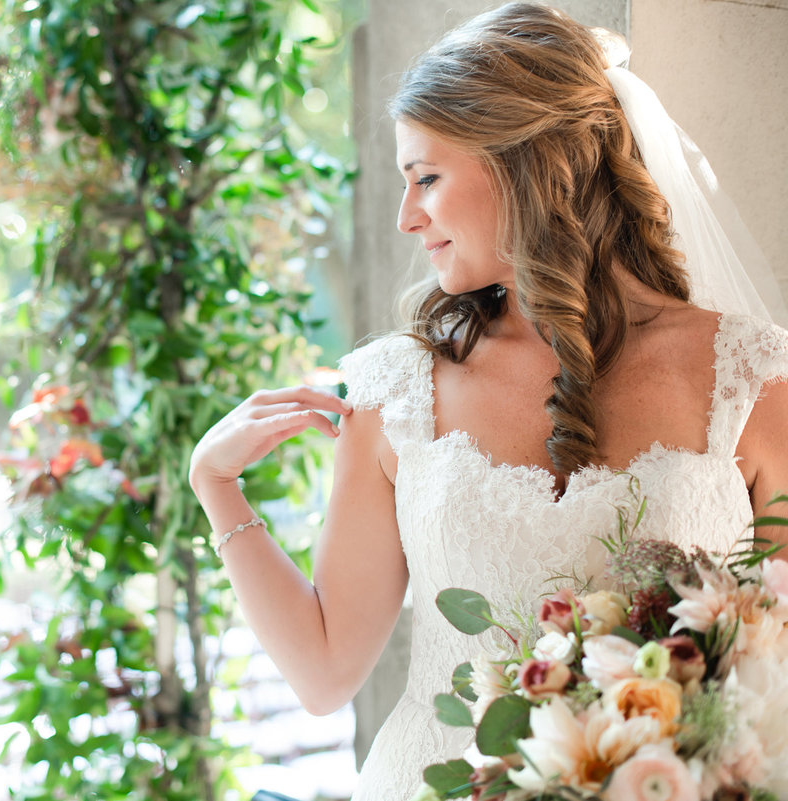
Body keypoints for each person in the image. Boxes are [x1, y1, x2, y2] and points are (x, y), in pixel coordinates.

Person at [188, 3, 788, 799]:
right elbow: (327, 671)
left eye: (426, 178)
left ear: (528, 164)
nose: (408, 217)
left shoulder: (746, 375)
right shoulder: (396, 389)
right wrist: (213, 483)